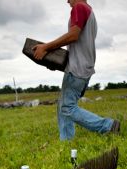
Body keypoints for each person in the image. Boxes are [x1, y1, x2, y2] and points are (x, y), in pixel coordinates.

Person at [33, 0, 119, 140]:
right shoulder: (89, 11)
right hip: (83, 66)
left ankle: (108, 126)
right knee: (63, 105)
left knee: (67, 108)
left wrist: (46, 47)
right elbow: (79, 45)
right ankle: (67, 140)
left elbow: (73, 36)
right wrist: (55, 61)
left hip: (77, 69)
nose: (67, 1)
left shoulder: (79, 7)